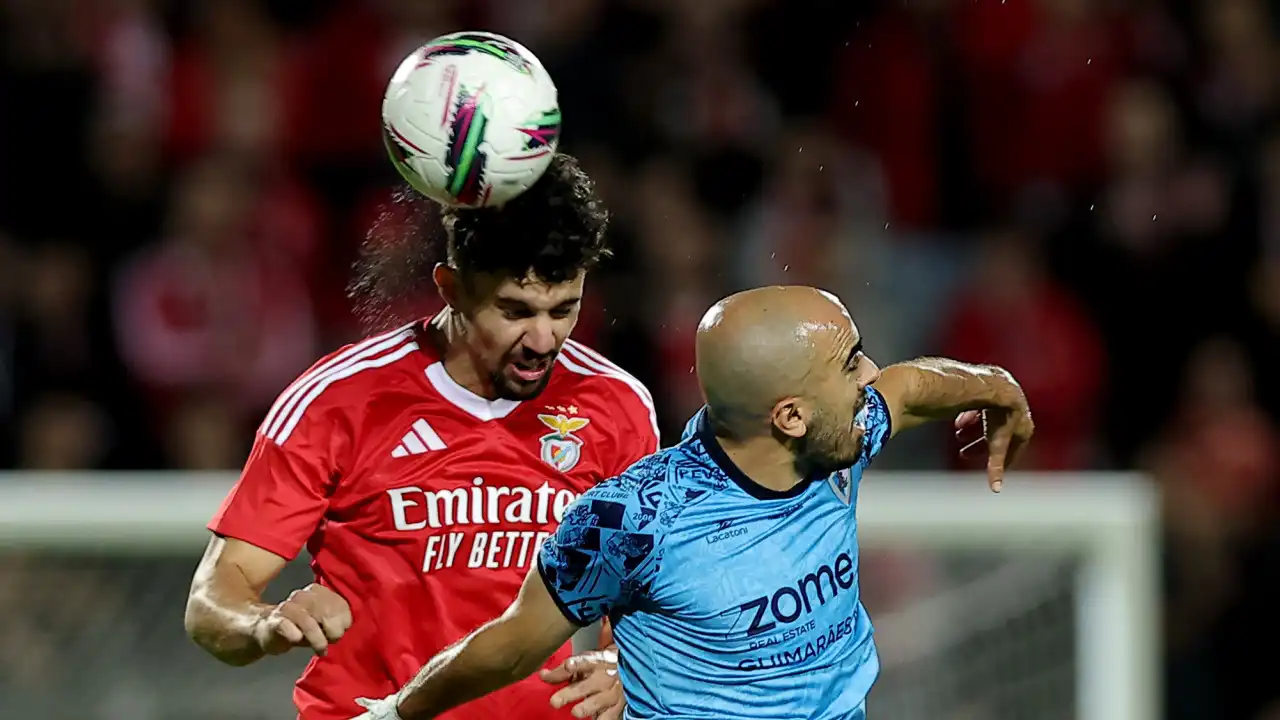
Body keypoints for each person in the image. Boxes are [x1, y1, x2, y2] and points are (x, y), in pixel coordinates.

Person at [349, 284, 1035, 720]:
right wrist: (394, 716)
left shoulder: (840, 437)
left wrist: (996, 387)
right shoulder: (632, 521)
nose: (871, 376)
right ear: (790, 417)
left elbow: (911, 388)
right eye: (851, 362)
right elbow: (508, 646)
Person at [183, 154, 654, 720]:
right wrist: (265, 624)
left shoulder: (615, 406)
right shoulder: (340, 401)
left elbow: (647, 598)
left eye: (564, 309)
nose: (543, 338)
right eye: (515, 310)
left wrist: (623, 666)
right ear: (450, 286)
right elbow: (212, 604)